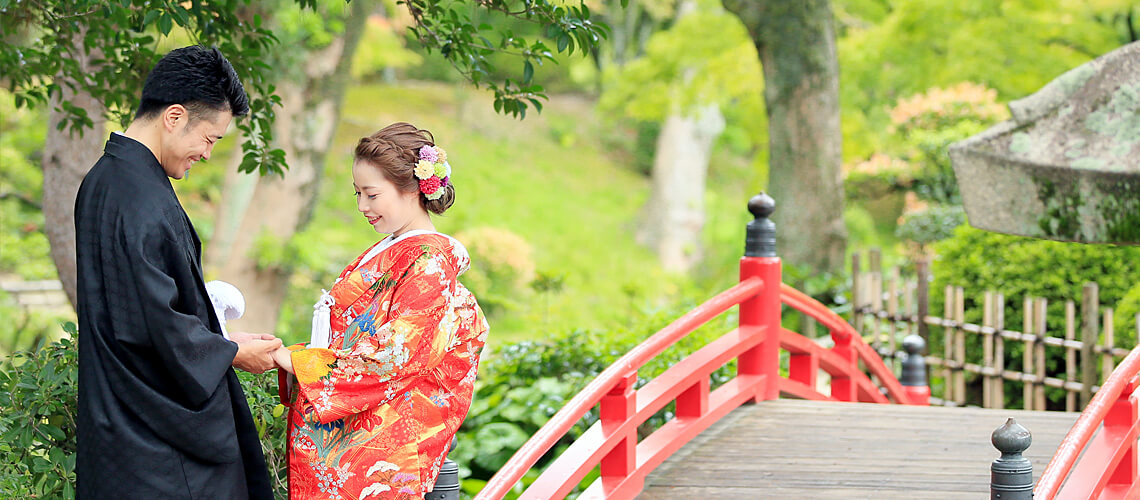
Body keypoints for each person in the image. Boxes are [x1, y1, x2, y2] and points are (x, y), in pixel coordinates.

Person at [74, 46, 281, 499]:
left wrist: (224, 342)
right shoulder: (137, 198)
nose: (207, 154)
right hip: (152, 447)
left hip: (121, 425)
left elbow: (146, 306)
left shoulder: (112, 179)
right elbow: (151, 324)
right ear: (173, 116)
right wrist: (228, 353)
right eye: (209, 139)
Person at [273, 122, 489, 499]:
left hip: (381, 452)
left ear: (412, 189)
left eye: (372, 194)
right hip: (357, 436)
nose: (362, 206)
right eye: (357, 193)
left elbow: (394, 355)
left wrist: (297, 362)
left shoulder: (429, 261)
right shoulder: (400, 250)